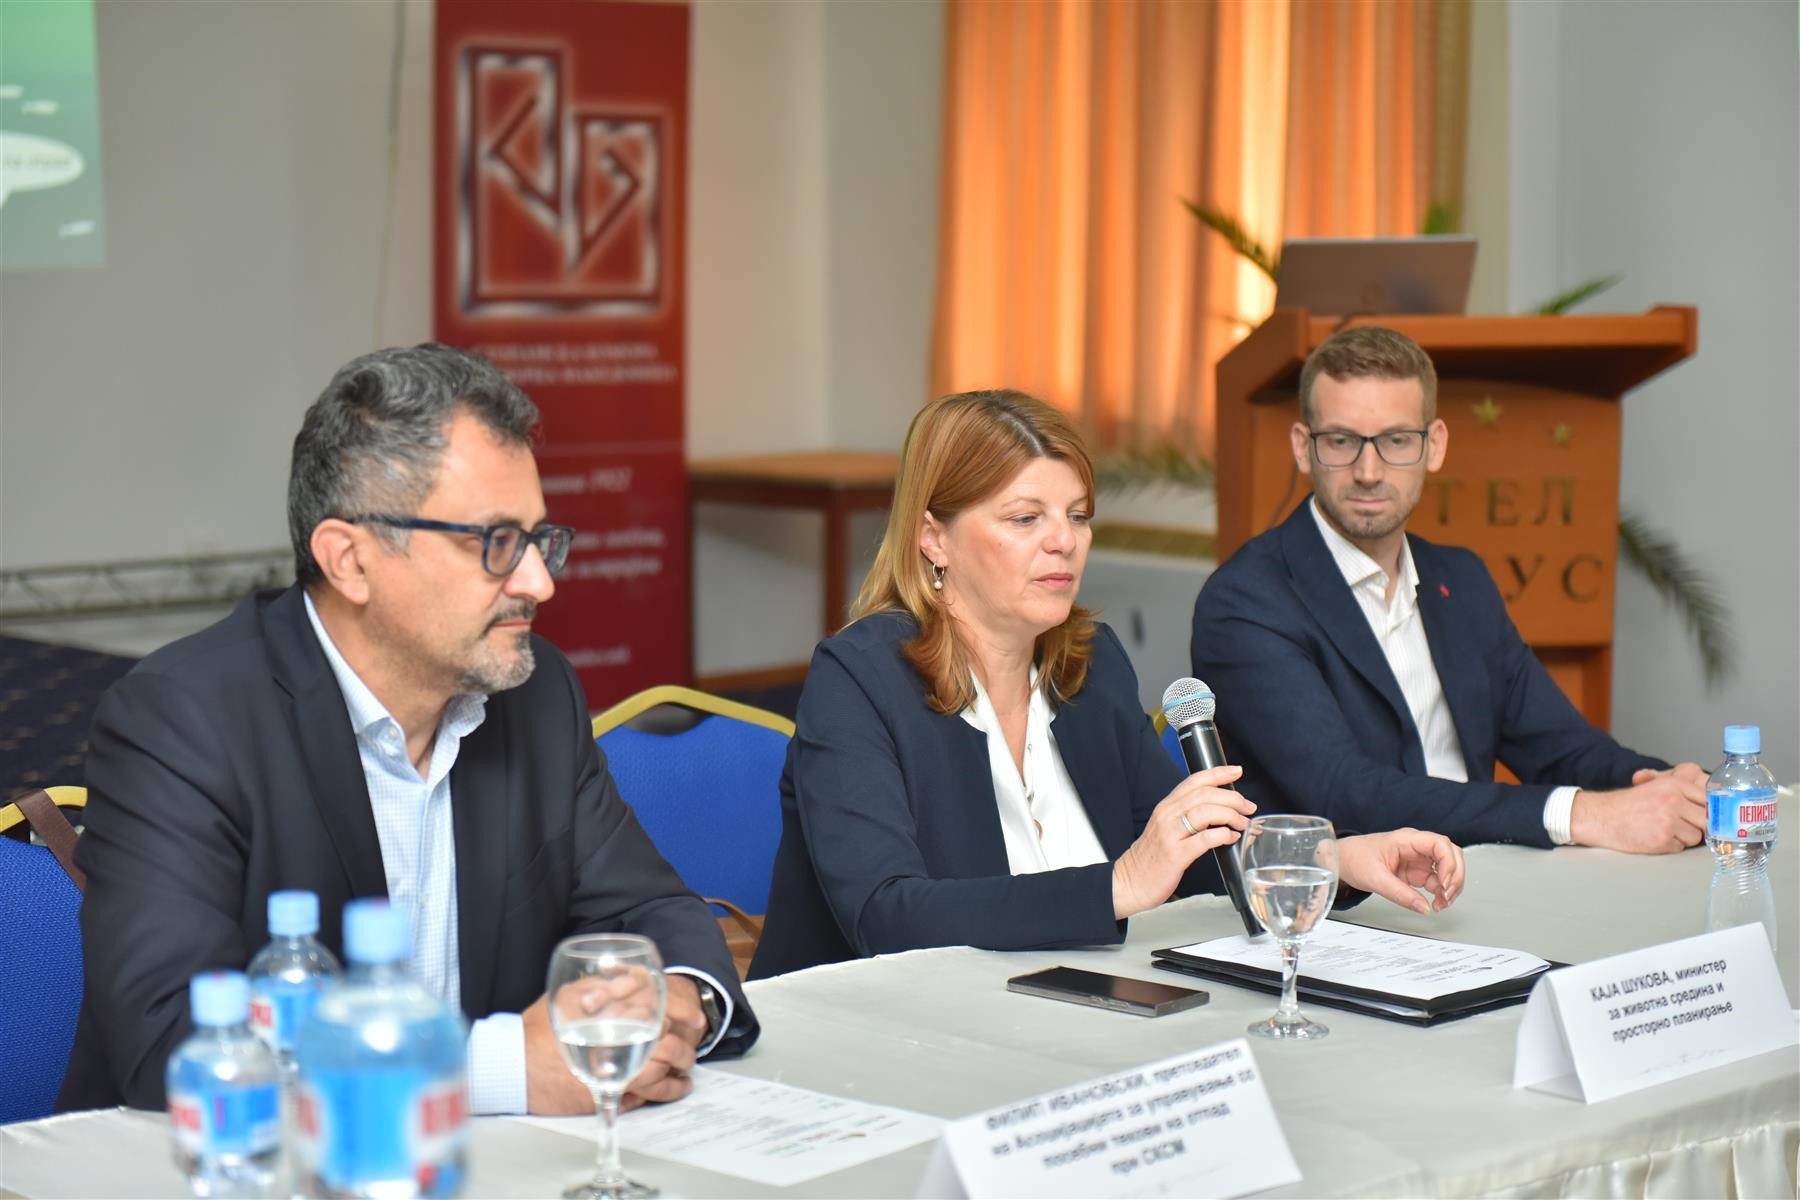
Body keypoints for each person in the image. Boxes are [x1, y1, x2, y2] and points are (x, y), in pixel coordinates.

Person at [59, 344, 757, 1115]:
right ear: (350, 560)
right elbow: (173, 1038)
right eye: (496, 543)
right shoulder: (183, 719)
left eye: (539, 540)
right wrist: (501, 1069)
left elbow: (653, 913)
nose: (539, 582)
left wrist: (678, 996)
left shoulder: (535, 692)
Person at [749, 389, 1464, 979]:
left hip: (1068, 1016)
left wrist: (1334, 860)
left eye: (1078, 516)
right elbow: (886, 918)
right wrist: (1119, 885)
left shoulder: (1089, 667)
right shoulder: (860, 680)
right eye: (1025, 518)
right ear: (934, 537)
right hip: (886, 1044)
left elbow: (1188, 859)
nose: (1064, 541)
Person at [1191, 325, 1708, 854]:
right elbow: (1343, 793)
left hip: (1482, 875)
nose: (1368, 471)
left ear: (1434, 445)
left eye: (1396, 440)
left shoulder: (1460, 579)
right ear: (1304, 448)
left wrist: (1680, 790)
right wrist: (1579, 815)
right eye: (1341, 441)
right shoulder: (1246, 601)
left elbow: (1563, 748)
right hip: (1347, 897)